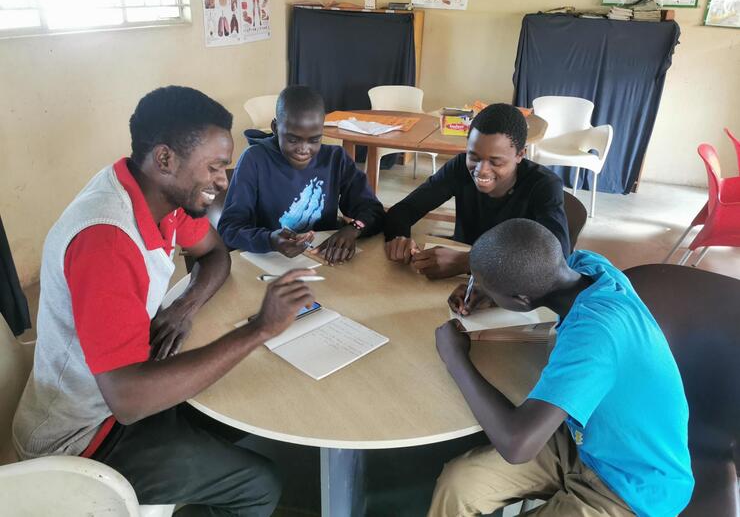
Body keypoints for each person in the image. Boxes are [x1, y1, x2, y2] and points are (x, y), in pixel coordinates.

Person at [13, 86, 318, 516]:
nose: (223, 181)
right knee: (260, 485)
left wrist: (182, 308)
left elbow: (215, 255)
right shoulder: (107, 242)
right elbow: (129, 400)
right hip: (81, 440)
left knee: (231, 408)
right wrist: (260, 328)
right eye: (214, 167)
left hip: (118, 395)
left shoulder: (162, 196)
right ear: (165, 159)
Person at [430, 219, 694, 516]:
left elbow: (517, 445)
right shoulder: (589, 266)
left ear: (521, 298)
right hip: (585, 440)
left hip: (634, 488)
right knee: (459, 483)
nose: (478, 291)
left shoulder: (593, 338)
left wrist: (455, 357)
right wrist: (493, 293)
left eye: (487, 289)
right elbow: (534, 275)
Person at [384, 103, 569, 280]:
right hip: (461, 286)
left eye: (495, 161)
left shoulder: (543, 185)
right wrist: (400, 238)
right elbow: (404, 209)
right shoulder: (459, 168)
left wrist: (467, 262)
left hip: (511, 290)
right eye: (474, 157)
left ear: (520, 154)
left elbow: (555, 257)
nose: (481, 170)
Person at [218, 85, 385, 265]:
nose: (303, 150)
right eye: (292, 139)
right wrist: (270, 239)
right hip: (268, 261)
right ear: (275, 127)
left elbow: (373, 210)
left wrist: (353, 229)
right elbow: (229, 228)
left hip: (321, 262)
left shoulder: (335, 159)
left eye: (314, 140)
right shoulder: (254, 161)